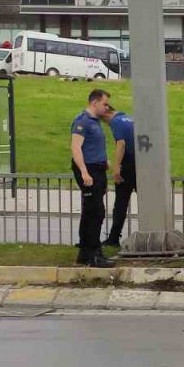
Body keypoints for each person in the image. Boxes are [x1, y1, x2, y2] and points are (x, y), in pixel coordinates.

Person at [70, 89, 114, 268]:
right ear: (94, 103)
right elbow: (76, 148)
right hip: (89, 170)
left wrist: (106, 162)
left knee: (91, 211)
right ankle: (93, 253)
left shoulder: (95, 122)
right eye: (104, 104)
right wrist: (84, 172)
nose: (107, 107)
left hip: (98, 168)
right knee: (96, 211)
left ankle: (85, 252)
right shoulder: (82, 121)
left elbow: (94, 146)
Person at [102, 104, 135, 247]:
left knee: (120, 203)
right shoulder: (129, 118)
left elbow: (121, 144)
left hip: (128, 166)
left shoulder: (115, 122)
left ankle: (114, 237)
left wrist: (116, 168)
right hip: (143, 165)